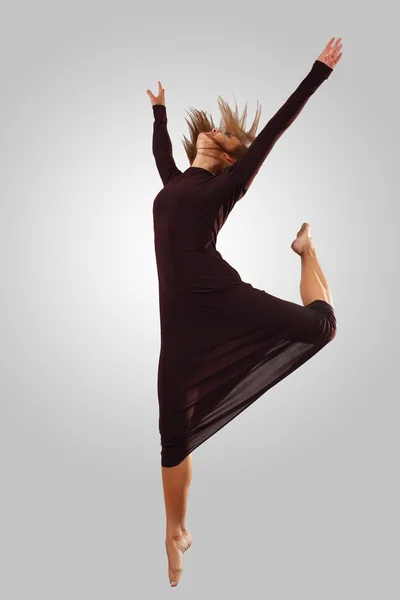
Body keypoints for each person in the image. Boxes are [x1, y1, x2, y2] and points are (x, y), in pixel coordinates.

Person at [146, 36, 343, 587]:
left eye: (224, 133)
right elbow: (161, 155)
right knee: (172, 430)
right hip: (180, 320)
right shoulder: (176, 182)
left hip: (221, 295)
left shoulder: (227, 183)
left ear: (230, 154)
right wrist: (160, 112)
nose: (212, 128)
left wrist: (317, 73)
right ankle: (175, 530)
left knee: (321, 327)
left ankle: (307, 250)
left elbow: (274, 130)